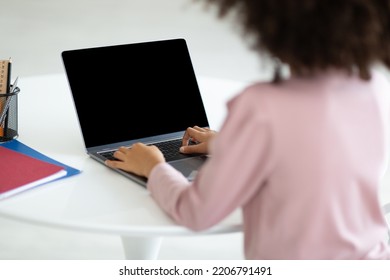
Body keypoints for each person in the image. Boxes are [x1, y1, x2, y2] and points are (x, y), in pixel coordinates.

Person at [106, 0, 390, 259]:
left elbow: (197, 213)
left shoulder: (262, 107)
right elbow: (322, 163)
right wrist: (234, 146)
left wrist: (154, 167)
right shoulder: (376, 88)